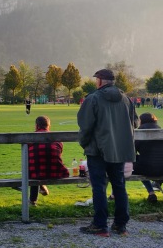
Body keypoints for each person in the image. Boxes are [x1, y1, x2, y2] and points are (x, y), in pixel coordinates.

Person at [77, 69, 138, 236]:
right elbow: (136, 122)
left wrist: (84, 143)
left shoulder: (93, 98)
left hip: (98, 151)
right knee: (119, 186)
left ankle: (100, 225)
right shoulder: (126, 99)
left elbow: (85, 126)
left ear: (100, 81)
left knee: (99, 187)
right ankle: (120, 225)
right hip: (119, 150)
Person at [27, 116, 69, 206]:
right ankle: (40, 188)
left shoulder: (30, 138)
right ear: (48, 125)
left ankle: (32, 200)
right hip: (56, 173)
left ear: (36, 126)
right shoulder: (57, 139)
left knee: (35, 166)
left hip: (34, 174)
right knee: (43, 163)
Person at [133, 112, 163, 203]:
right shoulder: (160, 131)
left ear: (141, 121)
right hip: (162, 168)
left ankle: (151, 192)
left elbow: (131, 152)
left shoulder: (139, 133)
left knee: (128, 164)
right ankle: (154, 188)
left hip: (146, 168)